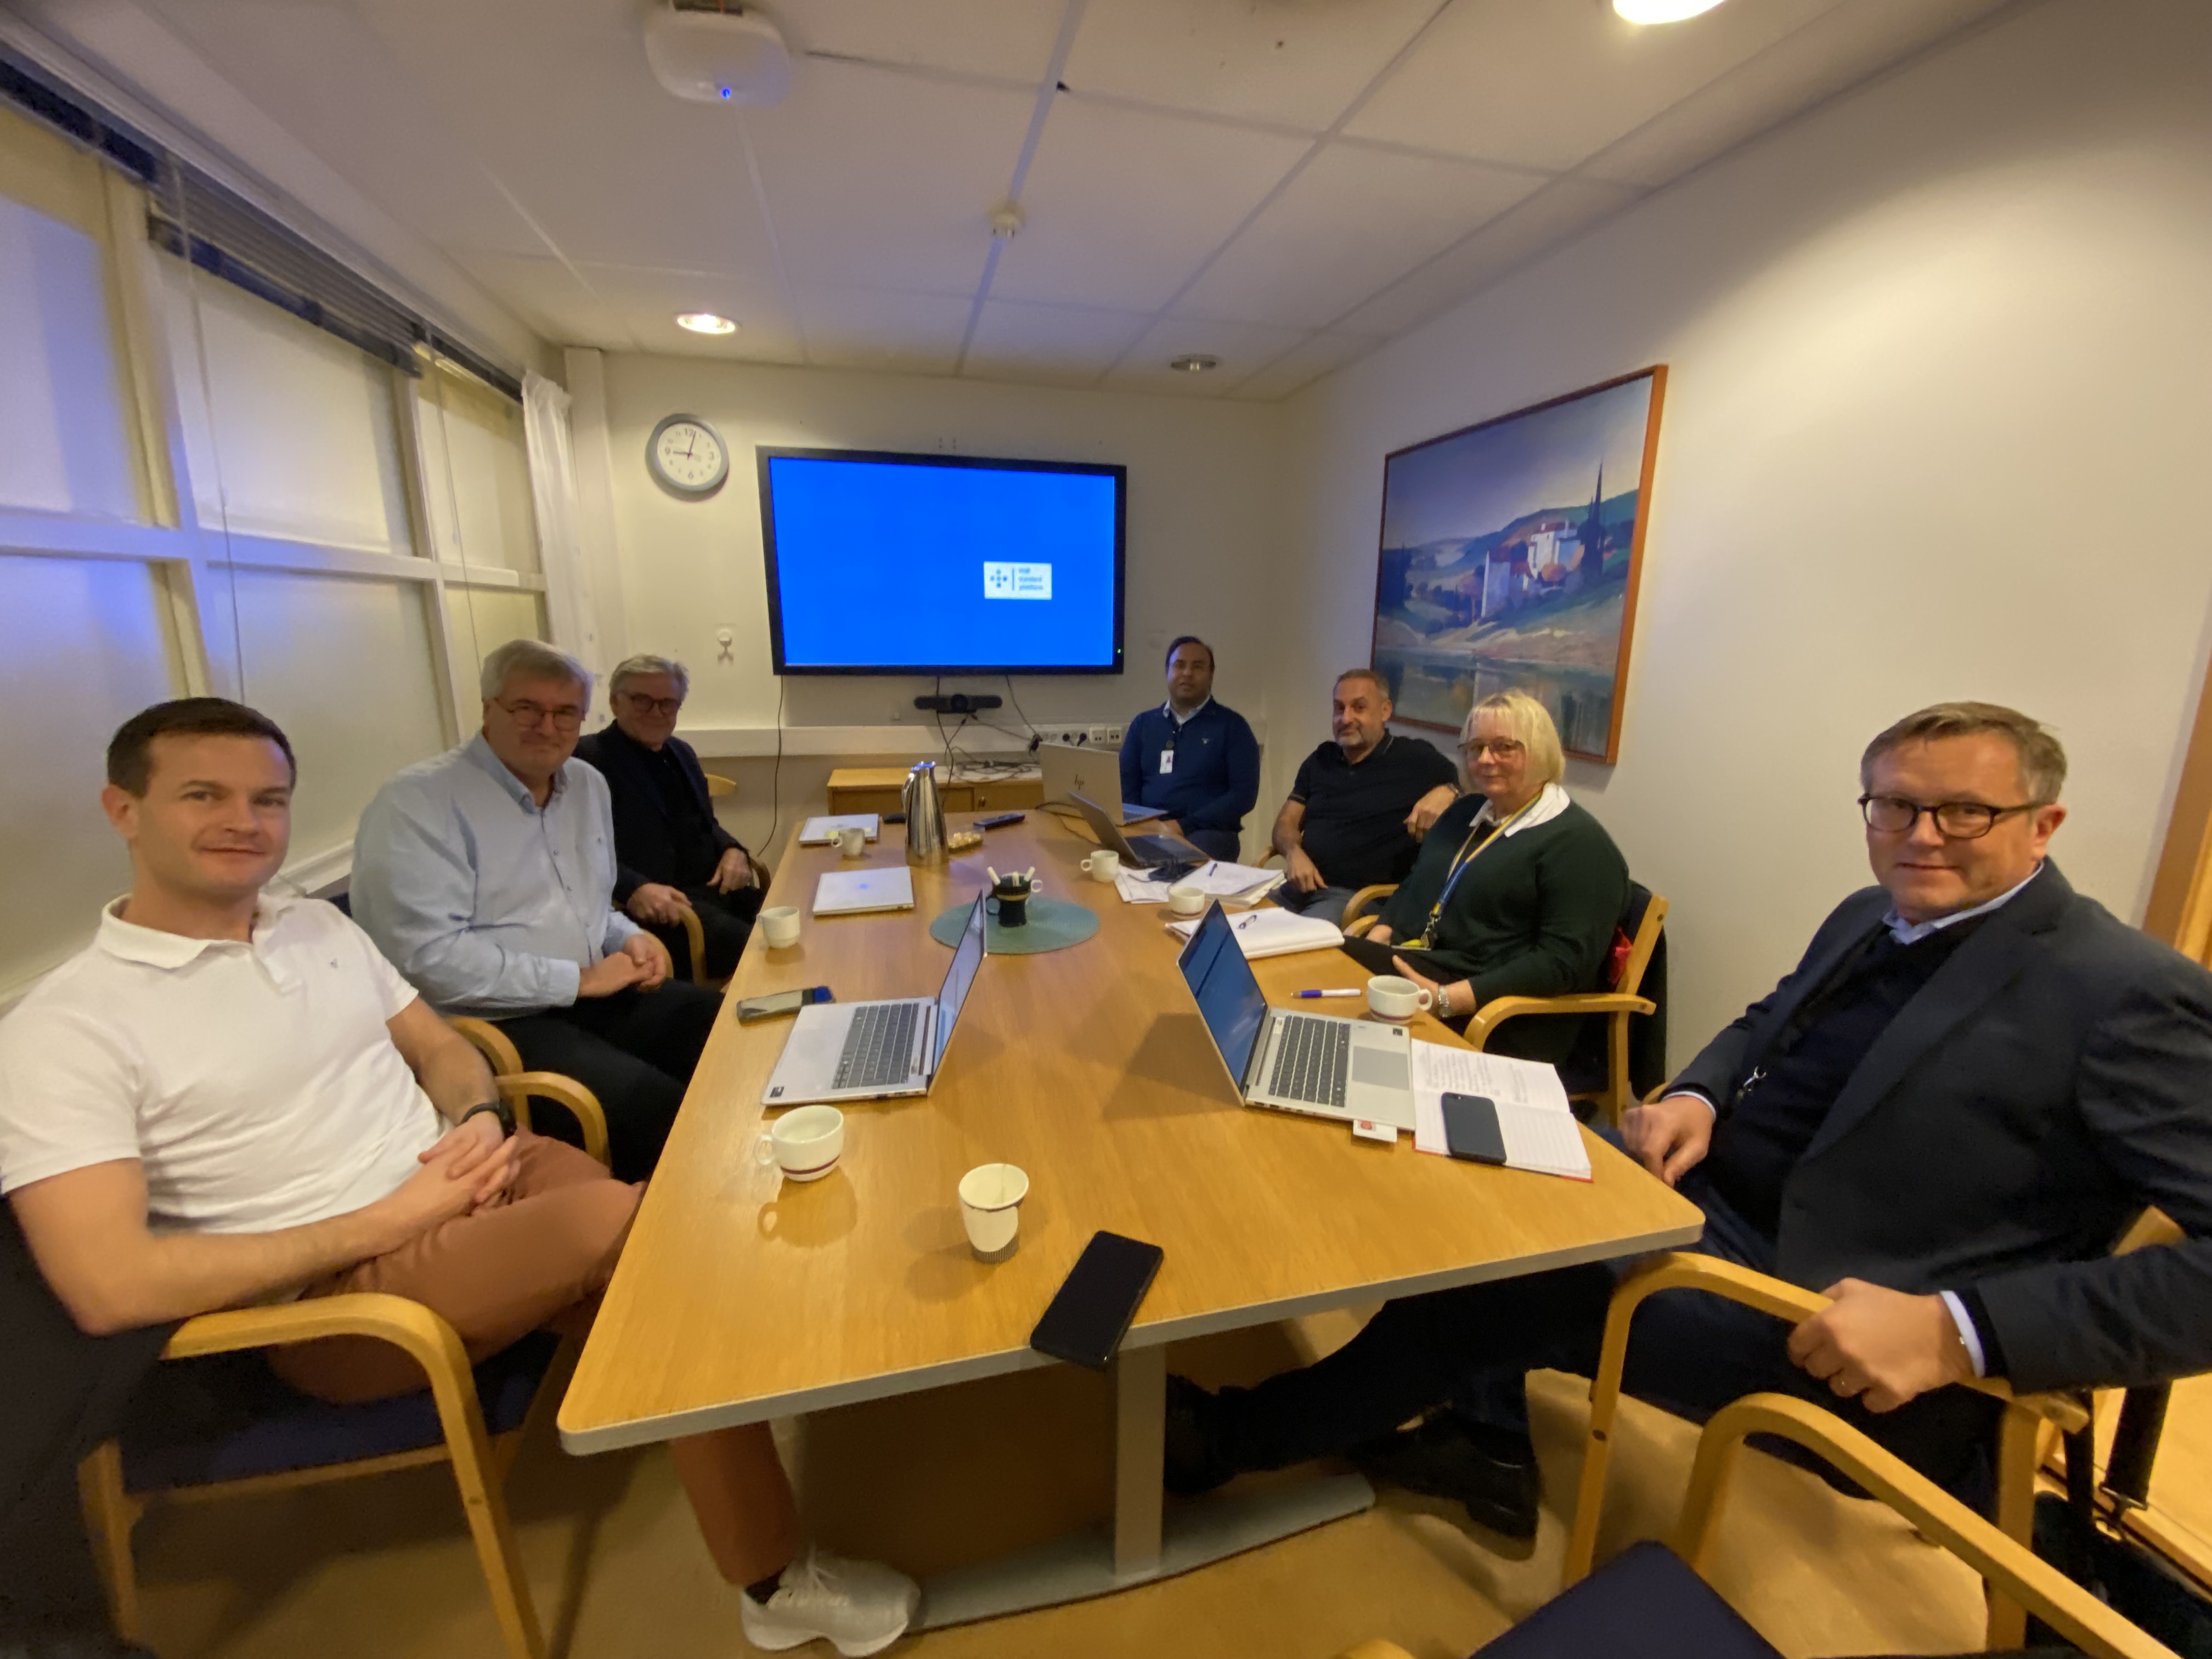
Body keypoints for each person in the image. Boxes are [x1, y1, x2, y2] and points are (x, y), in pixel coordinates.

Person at [1164, 702, 2212, 1545]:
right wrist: (1698, 1096)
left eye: (1963, 812)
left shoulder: (2122, 993)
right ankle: (1482, 1433)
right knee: (1456, 1171)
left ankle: (1232, 1436)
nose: (1919, 834)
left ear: (2043, 824)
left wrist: (1958, 1327)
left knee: (1490, 1275)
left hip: (1834, 1310)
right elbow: (1766, 1018)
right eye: (1893, 805)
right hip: (1699, 1196)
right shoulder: (1872, 911)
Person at [0, 699, 920, 1655]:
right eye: (205, 795)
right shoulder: (68, 1027)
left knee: (673, 1274)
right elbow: (110, 1287)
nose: (246, 821)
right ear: (123, 809)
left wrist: (479, 1121)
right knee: (671, 1235)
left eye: (268, 799)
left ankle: (779, 1462)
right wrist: (396, 1217)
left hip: (477, 1179)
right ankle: (781, 1567)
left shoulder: (311, 928)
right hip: (346, 1292)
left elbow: (442, 1050)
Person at [351, 640, 719, 1182]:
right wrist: (579, 980)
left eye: (565, 712)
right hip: (492, 1022)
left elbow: (590, 903)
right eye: (527, 709)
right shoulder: (417, 802)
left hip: (591, 992)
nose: (548, 727)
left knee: (723, 1033)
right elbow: (426, 960)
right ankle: (671, 1217)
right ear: (488, 708)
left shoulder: (587, 785)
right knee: (656, 1107)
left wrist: (626, 937)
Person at [1355, 690, 1627, 1064]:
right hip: (1421, 968)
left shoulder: (1579, 845)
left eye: (1504, 747)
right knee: (1325, 963)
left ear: (1539, 751)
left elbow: (1562, 963)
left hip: (1500, 1012)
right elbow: (1418, 882)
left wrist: (1448, 999)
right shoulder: (1464, 813)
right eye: (1476, 747)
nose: (1485, 760)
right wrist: (1381, 932)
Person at [575, 654, 761, 983]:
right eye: (642, 701)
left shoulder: (681, 752)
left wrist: (733, 849)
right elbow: (579, 850)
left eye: (668, 704)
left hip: (713, 890)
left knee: (794, 918)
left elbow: (707, 825)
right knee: (759, 949)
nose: (657, 712)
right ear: (615, 702)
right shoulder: (587, 761)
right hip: (660, 910)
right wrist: (633, 888)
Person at [1271, 669, 1460, 927]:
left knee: (1290, 940)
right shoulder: (1322, 759)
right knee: (1231, 924)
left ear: (1385, 711)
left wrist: (1450, 790)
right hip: (1298, 888)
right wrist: (1293, 852)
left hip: (1354, 899)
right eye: (1339, 708)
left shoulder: (1416, 759)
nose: (1346, 718)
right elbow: (1286, 823)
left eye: (1359, 708)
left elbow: (1474, 782)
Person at [1118, 636, 1260, 862]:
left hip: (1207, 832)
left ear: (1211, 675)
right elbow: (1126, 785)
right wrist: (1142, 824)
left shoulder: (1233, 727)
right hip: (1148, 828)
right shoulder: (1143, 725)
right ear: (1168, 671)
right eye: (1180, 665)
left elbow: (1244, 795)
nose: (1187, 673)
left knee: (1170, 866)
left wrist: (1183, 825)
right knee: (1101, 854)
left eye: (1198, 666)